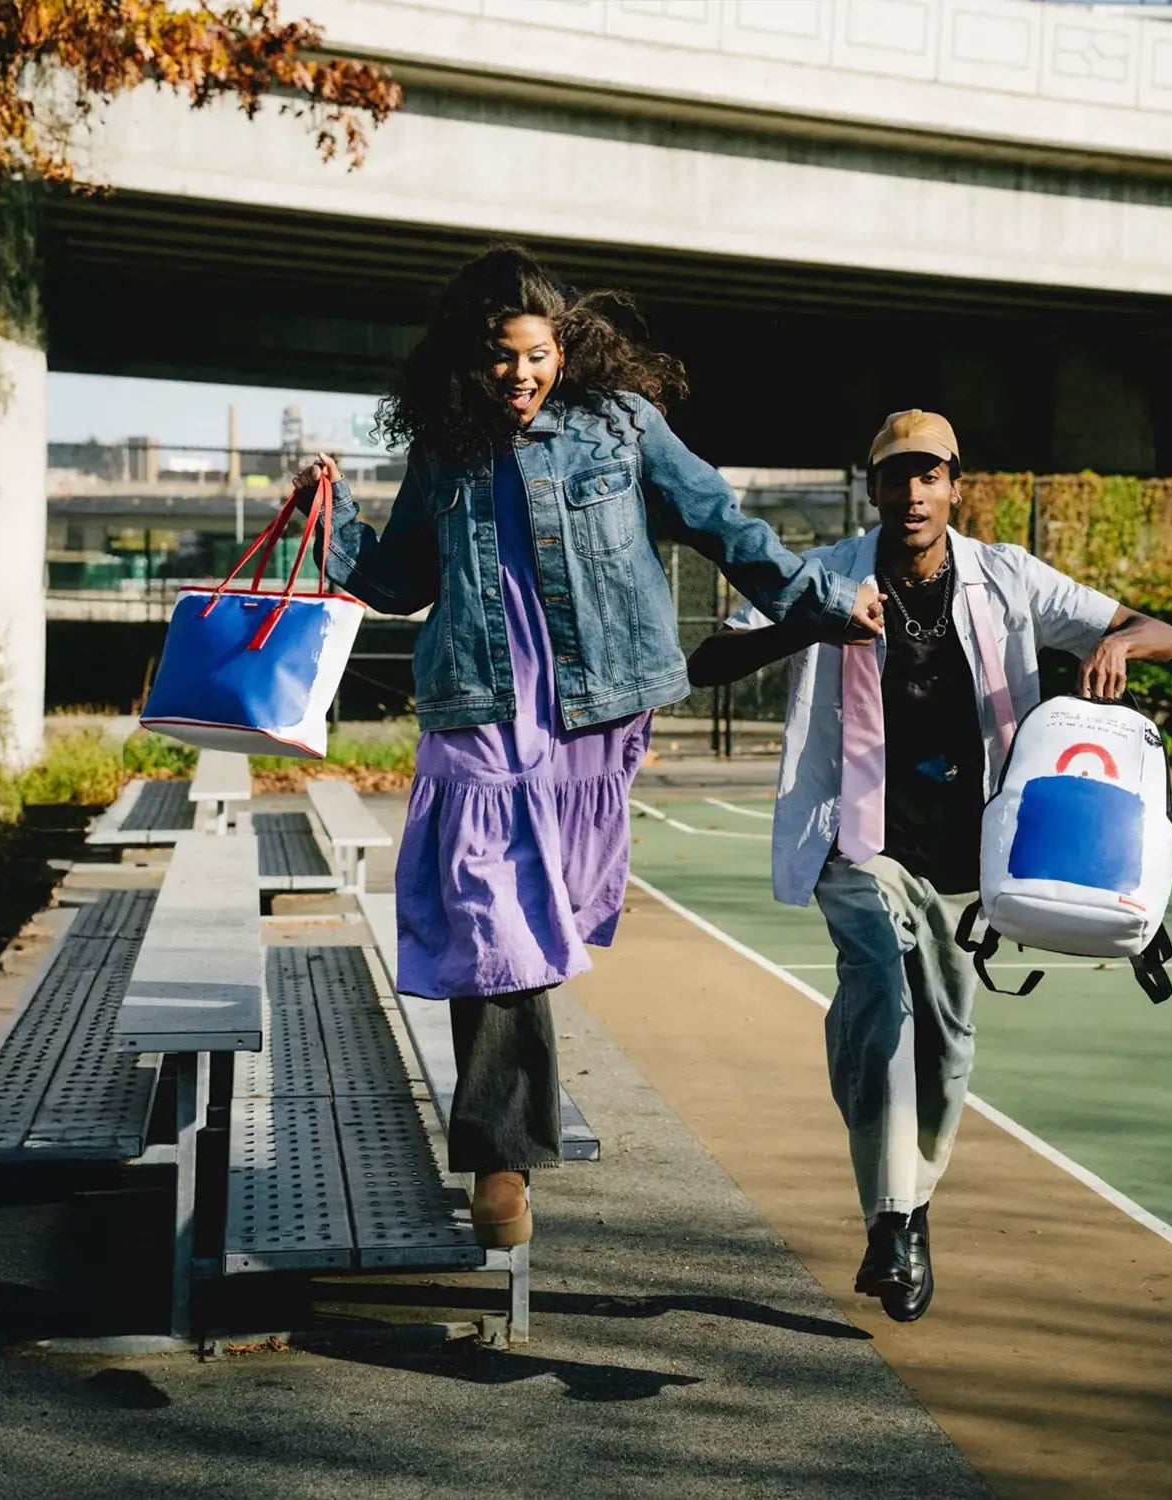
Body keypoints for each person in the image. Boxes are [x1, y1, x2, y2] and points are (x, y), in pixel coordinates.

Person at [292, 246, 882, 1250]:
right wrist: (327, 517)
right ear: (466, 361)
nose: (518, 376)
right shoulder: (446, 447)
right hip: (477, 710)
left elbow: (722, 525)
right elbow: (397, 582)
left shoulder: (623, 425)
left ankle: (506, 1133)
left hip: (593, 712)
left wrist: (822, 600)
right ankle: (500, 1158)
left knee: (539, 919)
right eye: (498, 360)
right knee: (494, 927)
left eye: (534, 355)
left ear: (561, 347)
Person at [688, 410, 1172, 1323]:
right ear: (873, 489)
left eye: (929, 475)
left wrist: (1115, 642)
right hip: (860, 841)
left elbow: (1162, 630)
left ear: (957, 486)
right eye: (894, 476)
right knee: (883, 990)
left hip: (971, 859)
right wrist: (812, 624)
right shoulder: (824, 576)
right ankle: (889, 1219)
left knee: (947, 1047)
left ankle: (912, 1209)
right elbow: (709, 659)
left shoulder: (1006, 576)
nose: (912, 492)